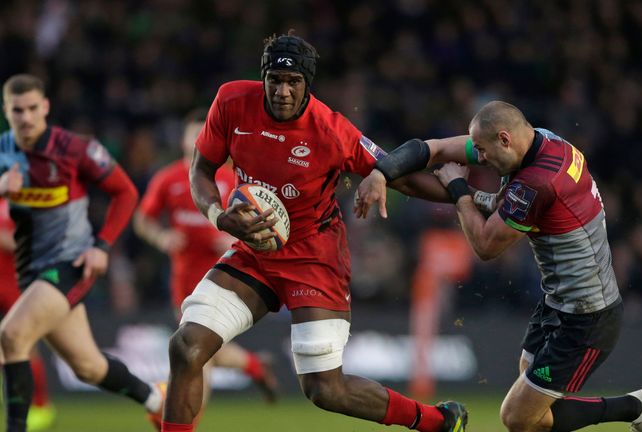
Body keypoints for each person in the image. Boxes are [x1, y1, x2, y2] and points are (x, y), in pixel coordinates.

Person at [160, 32, 467, 432]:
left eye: (294, 83)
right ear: (263, 77)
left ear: (308, 85)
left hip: (314, 257)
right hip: (255, 252)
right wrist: (218, 214)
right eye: (275, 80)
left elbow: (400, 176)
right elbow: (201, 169)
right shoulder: (232, 102)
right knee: (185, 348)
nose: (283, 91)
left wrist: (467, 195)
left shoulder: (332, 130)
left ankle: (437, 421)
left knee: (325, 389)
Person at [355, 100, 642, 432]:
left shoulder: (538, 181)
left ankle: (637, 406)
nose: (480, 159)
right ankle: (637, 408)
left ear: (505, 139)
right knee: (531, 400)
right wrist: (380, 172)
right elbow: (433, 149)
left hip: (588, 317)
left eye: (483, 152)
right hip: (556, 301)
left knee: (518, 417)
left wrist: (459, 188)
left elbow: (486, 246)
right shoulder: (540, 141)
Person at [0, 74, 164, 432]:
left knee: (11, 336)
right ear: (7, 112)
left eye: (32, 108)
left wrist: (102, 246)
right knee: (88, 367)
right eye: (17, 111)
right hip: (30, 273)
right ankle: (157, 400)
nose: (25, 118)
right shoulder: (3, 152)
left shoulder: (75, 149)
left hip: (69, 264)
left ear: (45, 107)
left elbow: (125, 193)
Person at [133, 108, 278, 403]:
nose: (199, 139)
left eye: (205, 134)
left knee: (198, 352)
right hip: (183, 279)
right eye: (194, 133)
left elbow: (259, 225)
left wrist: (231, 237)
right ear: (184, 139)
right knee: (202, 348)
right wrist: (162, 237)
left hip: (223, 277)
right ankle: (254, 366)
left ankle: (185, 421)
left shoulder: (231, 179)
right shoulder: (168, 178)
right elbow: (142, 220)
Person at [0, 198, 55, 431]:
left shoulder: (25, 205)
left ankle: (41, 406)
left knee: (26, 346)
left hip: (16, 283)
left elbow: (30, 243)